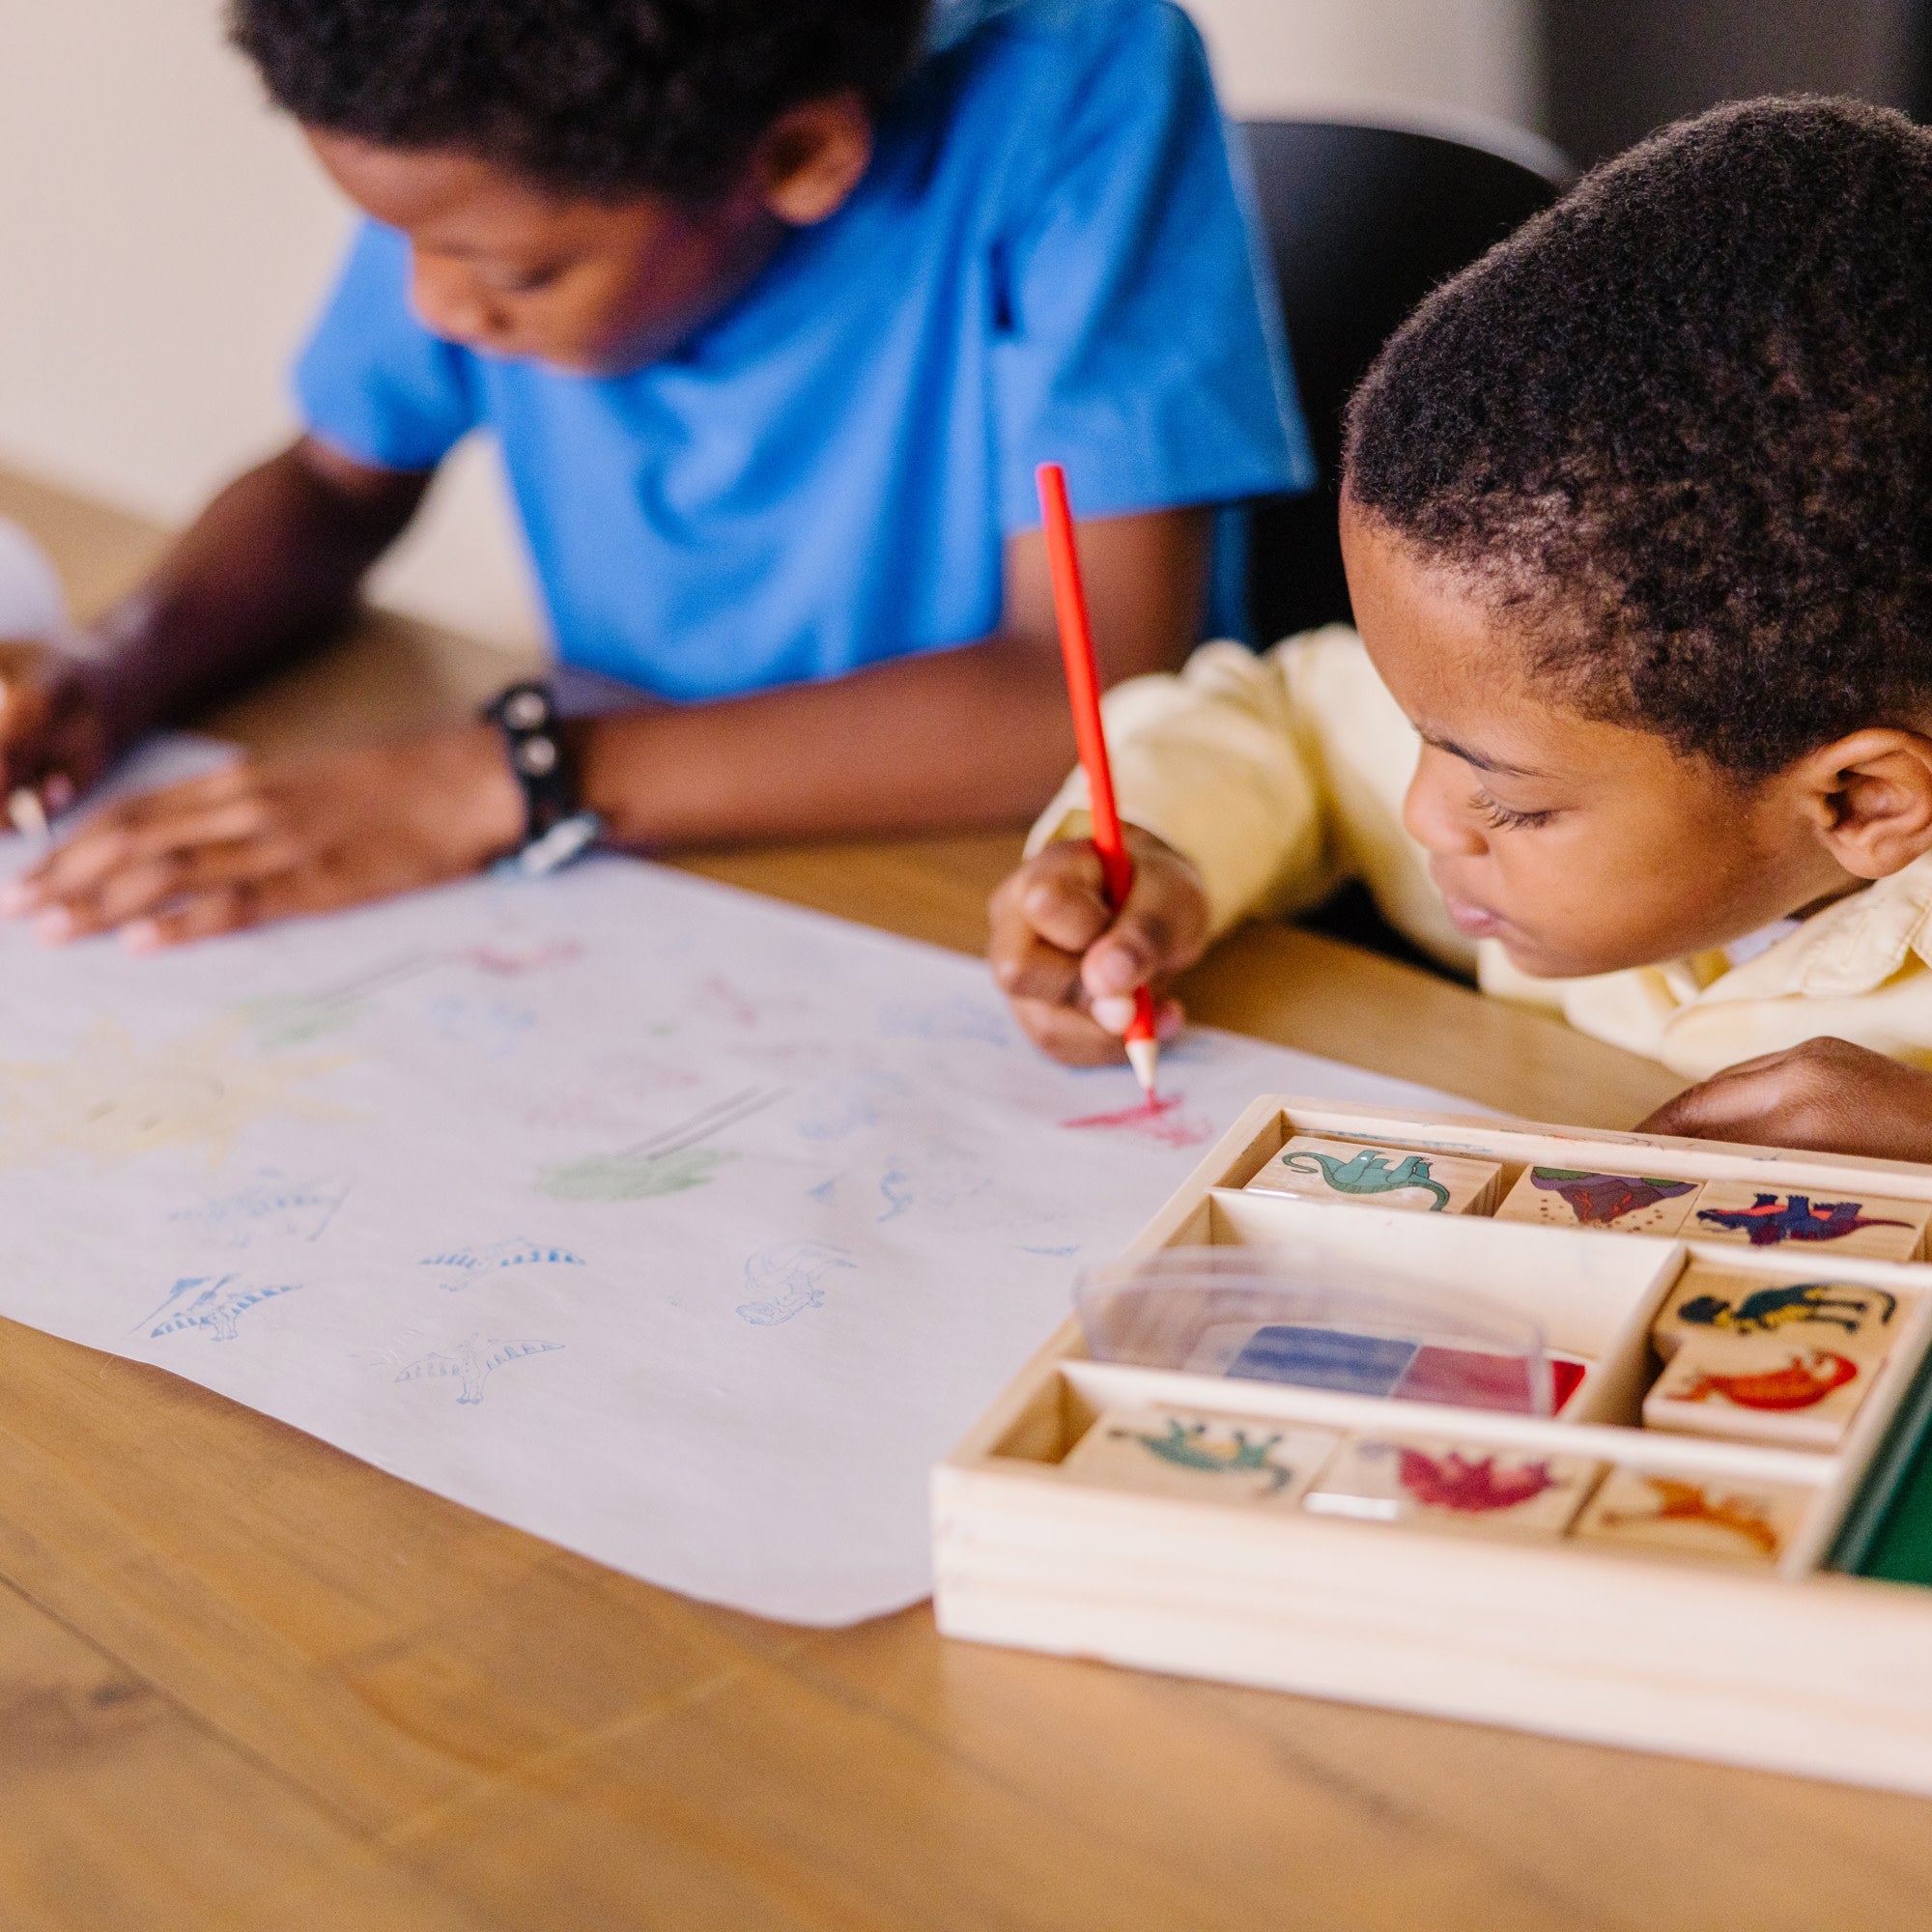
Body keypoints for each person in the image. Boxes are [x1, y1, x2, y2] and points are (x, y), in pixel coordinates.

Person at [0, 0, 1305, 948]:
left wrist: (507, 780)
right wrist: (117, 663)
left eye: (514, 272)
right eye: (400, 241)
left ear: (796, 158)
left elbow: (1079, 694)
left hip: (1033, 896)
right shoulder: (477, 97)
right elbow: (337, 483)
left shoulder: (1078, 86)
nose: (434, 306)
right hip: (652, 881)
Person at [987, 98, 1932, 1161]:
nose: (1422, 813)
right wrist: (1155, 847)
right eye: (1416, 734)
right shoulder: (1536, 706)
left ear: (1861, 800)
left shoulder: (1602, 693)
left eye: (1512, 806)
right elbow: (1292, 721)